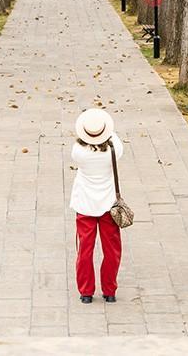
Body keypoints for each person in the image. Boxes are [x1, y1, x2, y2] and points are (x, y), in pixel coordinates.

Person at [69, 107, 124, 304]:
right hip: (108, 205)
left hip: (84, 205)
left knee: (85, 250)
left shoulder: (78, 152)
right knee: (112, 250)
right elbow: (114, 136)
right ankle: (109, 290)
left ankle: (86, 291)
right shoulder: (114, 150)